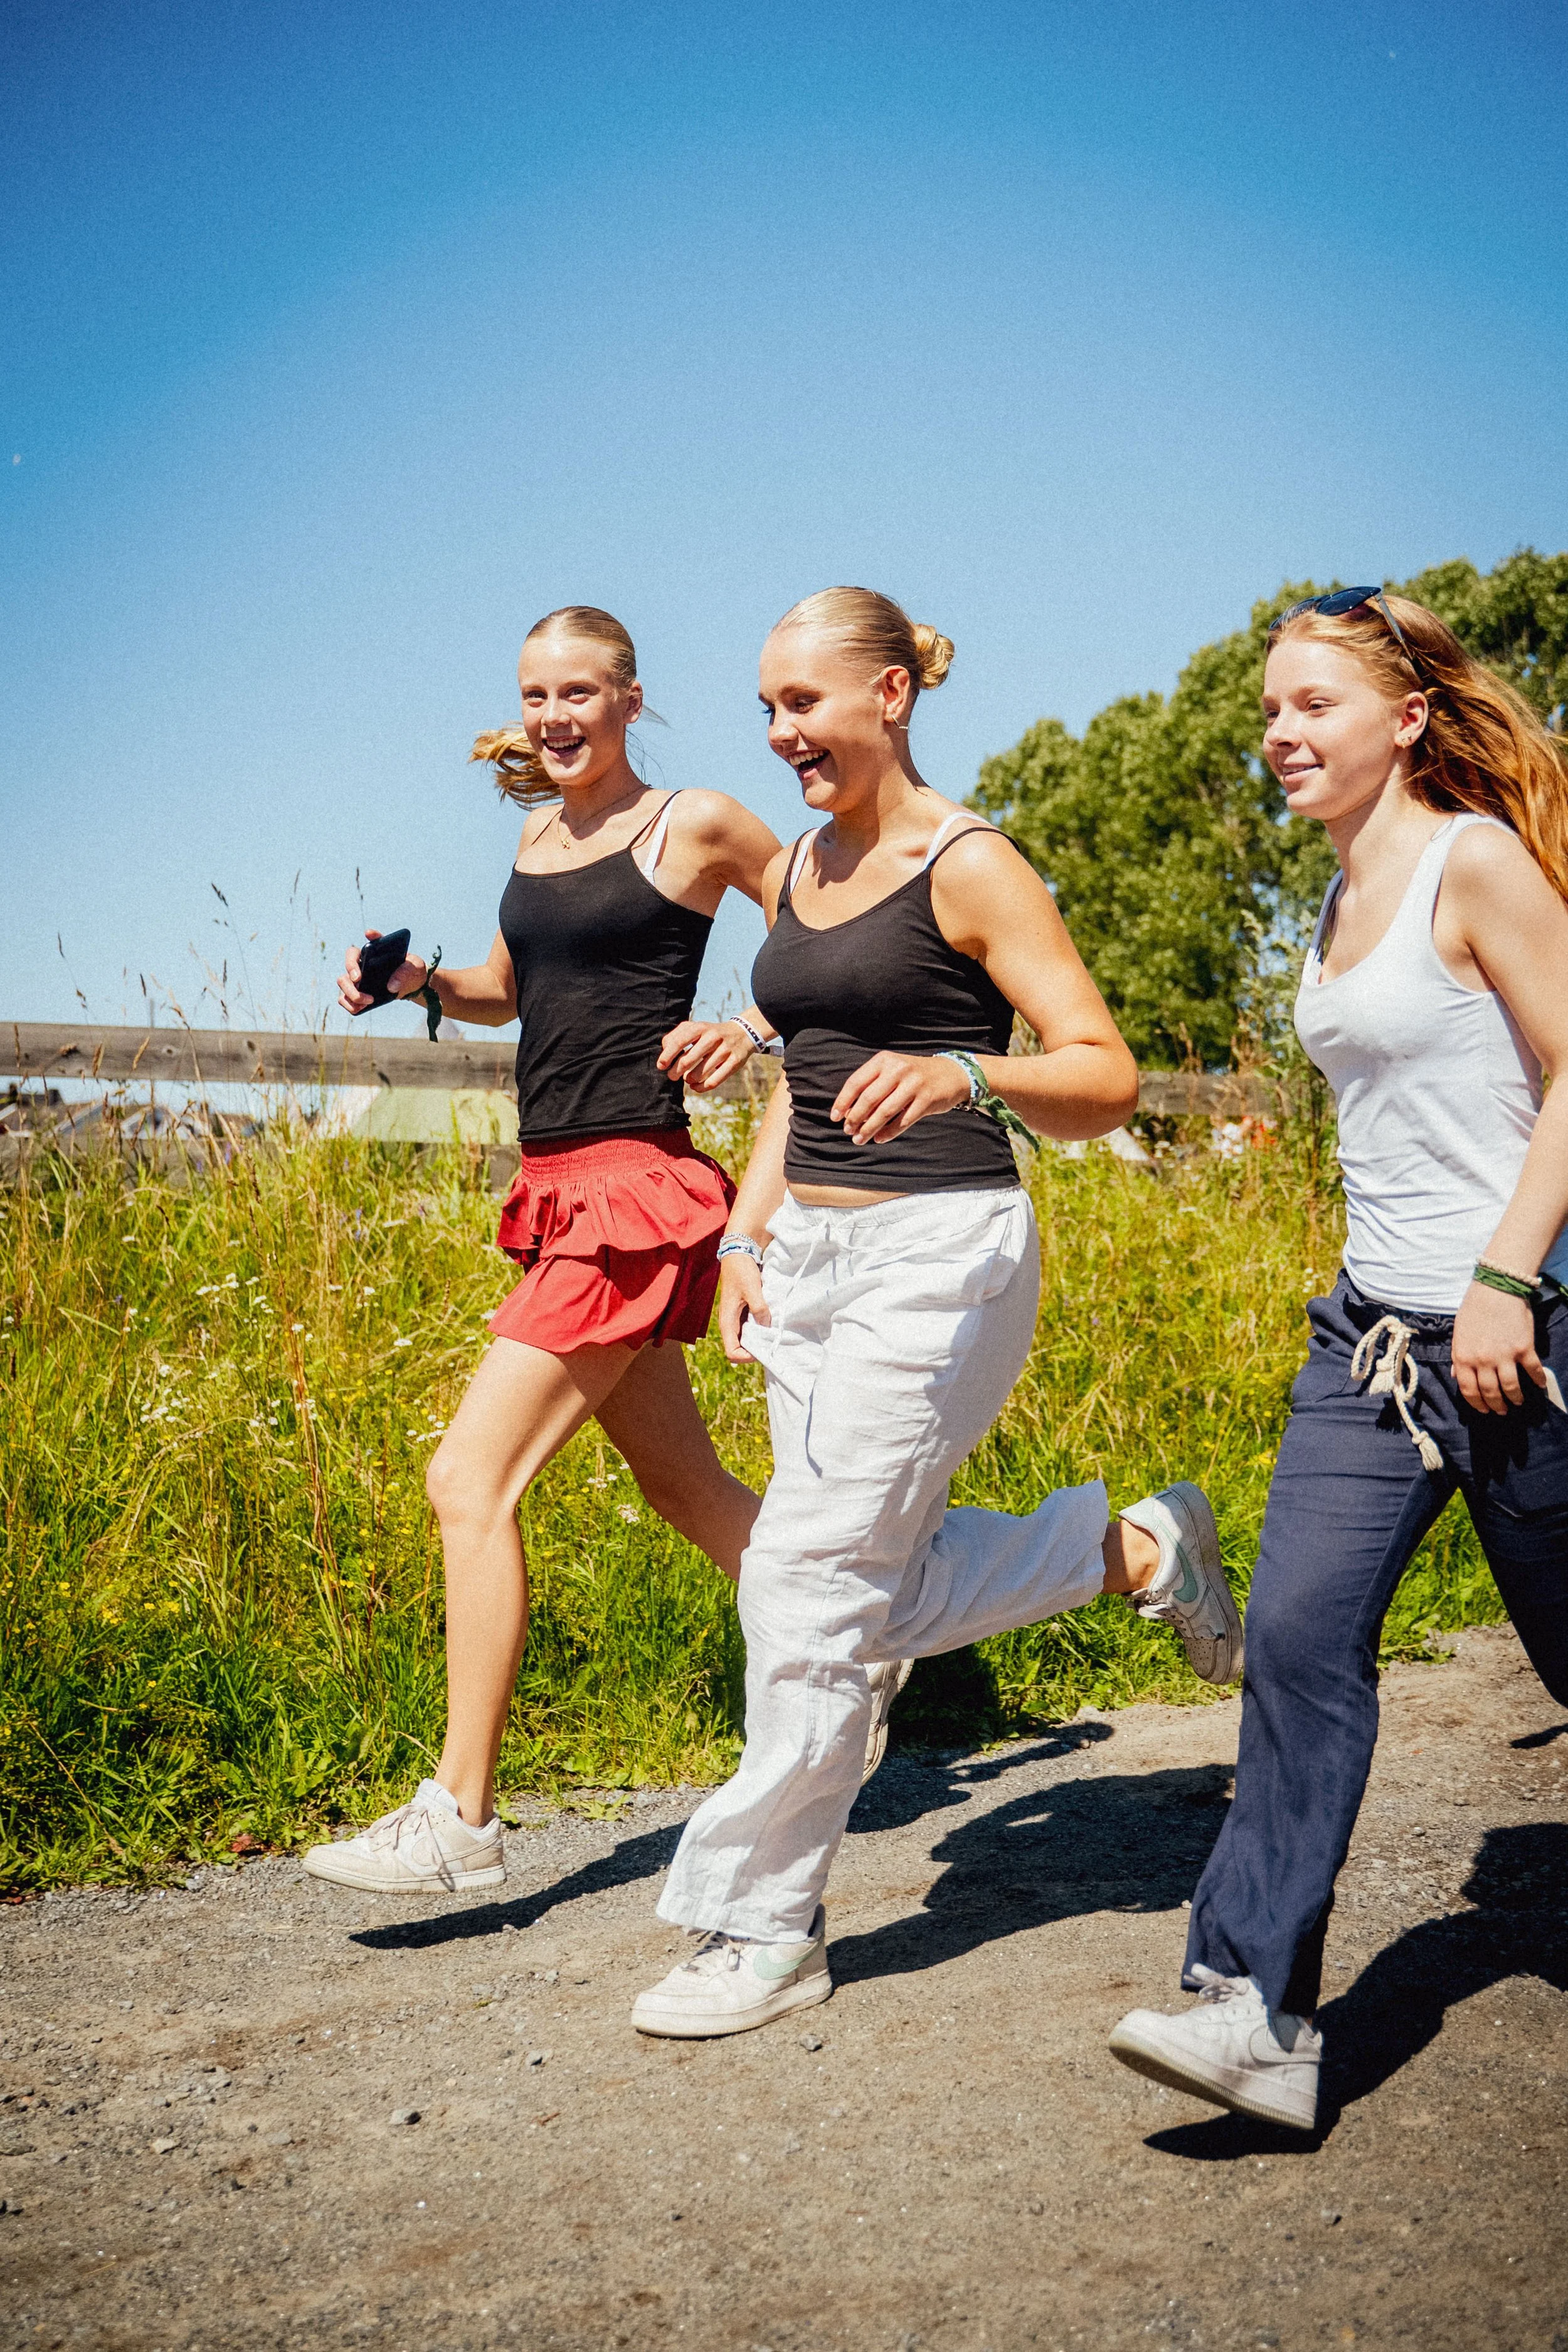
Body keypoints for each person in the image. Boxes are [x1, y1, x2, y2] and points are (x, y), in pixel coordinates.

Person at [630, 586, 1244, 2038]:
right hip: (810, 1265)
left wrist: (968, 1075)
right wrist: (746, 1234)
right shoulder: (801, 865)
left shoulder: (967, 864)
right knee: (866, 1589)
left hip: (939, 1254)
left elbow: (1103, 1075)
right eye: (765, 707)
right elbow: (803, 1070)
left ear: (890, 693)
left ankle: (762, 1923)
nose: (777, 732)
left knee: (803, 1579)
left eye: (801, 702)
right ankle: (1135, 1548)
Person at [1110, 586, 1568, 2132]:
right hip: (1368, 1344)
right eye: (1269, 710)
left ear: (1405, 719)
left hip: (1521, 1334)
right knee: (1297, 1640)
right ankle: (1251, 2009)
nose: (1279, 733)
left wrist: (1504, 1277)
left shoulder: (1472, 859)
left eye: (1312, 704)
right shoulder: (1328, 895)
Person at [304, 604, 797, 1895]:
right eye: (535, 695)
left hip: (635, 1192)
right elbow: (511, 992)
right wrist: (418, 983)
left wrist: (753, 1027)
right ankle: (869, 1641)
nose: (553, 716)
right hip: (560, 1187)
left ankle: (460, 1815)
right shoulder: (536, 836)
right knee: (686, 1490)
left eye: (578, 692)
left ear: (630, 697)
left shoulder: (694, 822)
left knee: (468, 1481)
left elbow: (828, 922)